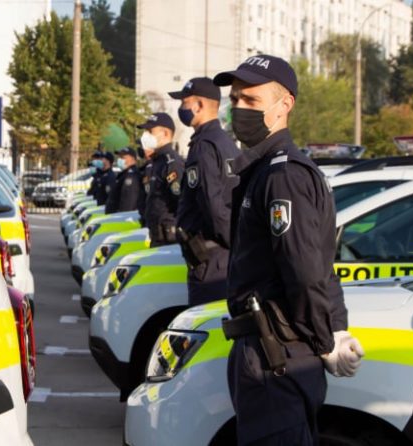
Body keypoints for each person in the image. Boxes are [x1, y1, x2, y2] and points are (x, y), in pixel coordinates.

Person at [213, 55, 364, 445]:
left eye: (251, 100)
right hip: (273, 353)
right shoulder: (266, 169)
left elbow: (306, 270)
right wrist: (334, 328)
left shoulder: (283, 176)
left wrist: (327, 339)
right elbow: (318, 263)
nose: (238, 109)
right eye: (235, 99)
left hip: (276, 355)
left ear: (284, 105)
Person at [169, 77, 240, 307]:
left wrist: (230, 244)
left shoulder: (204, 146)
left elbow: (214, 206)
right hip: (220, 258)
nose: (181, 108)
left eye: (184, 103)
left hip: (210, 261)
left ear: (199, 106)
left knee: (204, 322)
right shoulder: (224, 142)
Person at [136, 112, 184, 247]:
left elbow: (180, 202)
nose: (145, 135)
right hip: (157, 235)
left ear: (165, 134)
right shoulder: (157, 162)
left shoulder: (171, 163)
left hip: (169, 238)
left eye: (150, 131)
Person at [105, 147, 141, 213]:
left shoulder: (131, 175)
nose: (120, 160)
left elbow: (129, 201)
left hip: (123, 216)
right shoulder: (124, 174)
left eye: (123, 157)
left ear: (132, 158)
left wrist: (123, 216)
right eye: (119, 157)